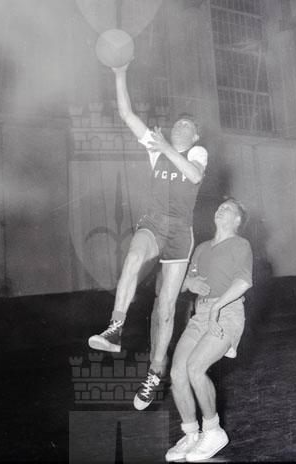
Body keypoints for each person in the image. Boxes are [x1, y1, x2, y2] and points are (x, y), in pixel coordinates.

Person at [88, 61, 208, 410]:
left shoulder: (196, 153)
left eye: (187, 126)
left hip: (180, 232)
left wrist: (166, 148)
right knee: (133, 257)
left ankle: (155, 373)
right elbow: (127, 114)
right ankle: (115, 327)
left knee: (167, 308)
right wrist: (119, 72)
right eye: (178, 124)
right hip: (154, 222)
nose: (180, 127)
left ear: (194, 136)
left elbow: (194, 176)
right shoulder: (158, 148)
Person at [165, 198, 252, 463]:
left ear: (237, 220)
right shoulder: (202, 248)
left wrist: (216, 308)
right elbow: (179, 283)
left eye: (228, 209)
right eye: (219, 207)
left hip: (227, 312)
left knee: (195, 368)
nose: (220, 209)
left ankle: (213, 431)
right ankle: (192, 434)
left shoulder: (240, 244)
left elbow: (243, 282)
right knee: (177, 373)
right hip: (200, 314)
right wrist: (189, 283)